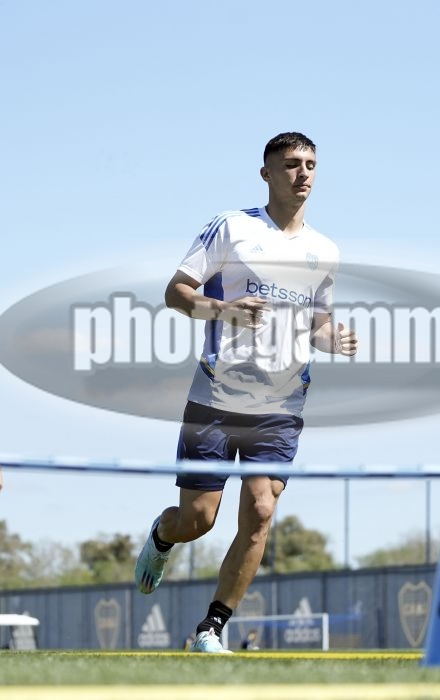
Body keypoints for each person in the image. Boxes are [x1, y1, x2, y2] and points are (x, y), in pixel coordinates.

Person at [135, 131, 358, 653]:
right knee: (198, 519)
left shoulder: (324, 251)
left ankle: (212, 628)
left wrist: (335, 338)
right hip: (215, 398)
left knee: (260, 511)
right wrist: (225, 310)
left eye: (310, 164)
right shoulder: (233, 227)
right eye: (291, 164)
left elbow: (318, 324)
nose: (303, 173)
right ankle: (163, 535)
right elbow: (176, 293)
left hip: (281, 405)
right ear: (266, 173)